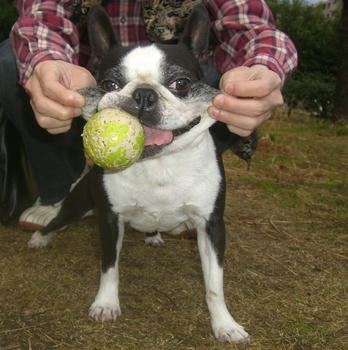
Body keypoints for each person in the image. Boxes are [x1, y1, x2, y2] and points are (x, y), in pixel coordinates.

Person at [1, 0, 297, 230]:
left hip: (184, 71)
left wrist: (263, 67)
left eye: (177, 84)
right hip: (87, 76)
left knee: (223, 81)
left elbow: (252, 25)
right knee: (11, 61)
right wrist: (47, 60)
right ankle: (63, 185)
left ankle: (185, 197)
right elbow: (41, 13)